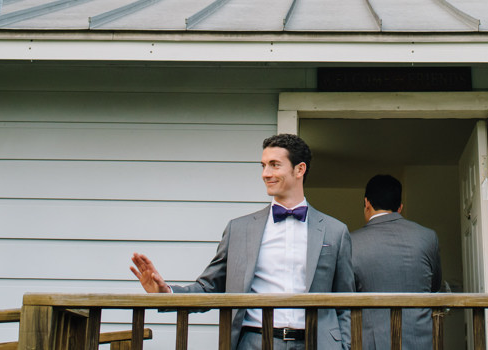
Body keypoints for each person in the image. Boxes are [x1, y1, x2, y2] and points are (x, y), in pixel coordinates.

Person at [130, 134, 353, 350]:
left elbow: (347, 303)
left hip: (318, 343)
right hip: (254, 341)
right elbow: (208, 287)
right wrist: (166, 293)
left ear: (299, 169)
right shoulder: (239, 229)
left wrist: (345, 346)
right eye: (263, 165)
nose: (266, 173)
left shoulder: (335, 231)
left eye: (275, 165)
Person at [350, 174, 442, 350]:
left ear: (366, 203)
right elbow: (434, 285)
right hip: (421, 341)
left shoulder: (351, 242)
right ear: (400, 207)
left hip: (371, 342)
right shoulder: (428, 237)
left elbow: (345, 292)